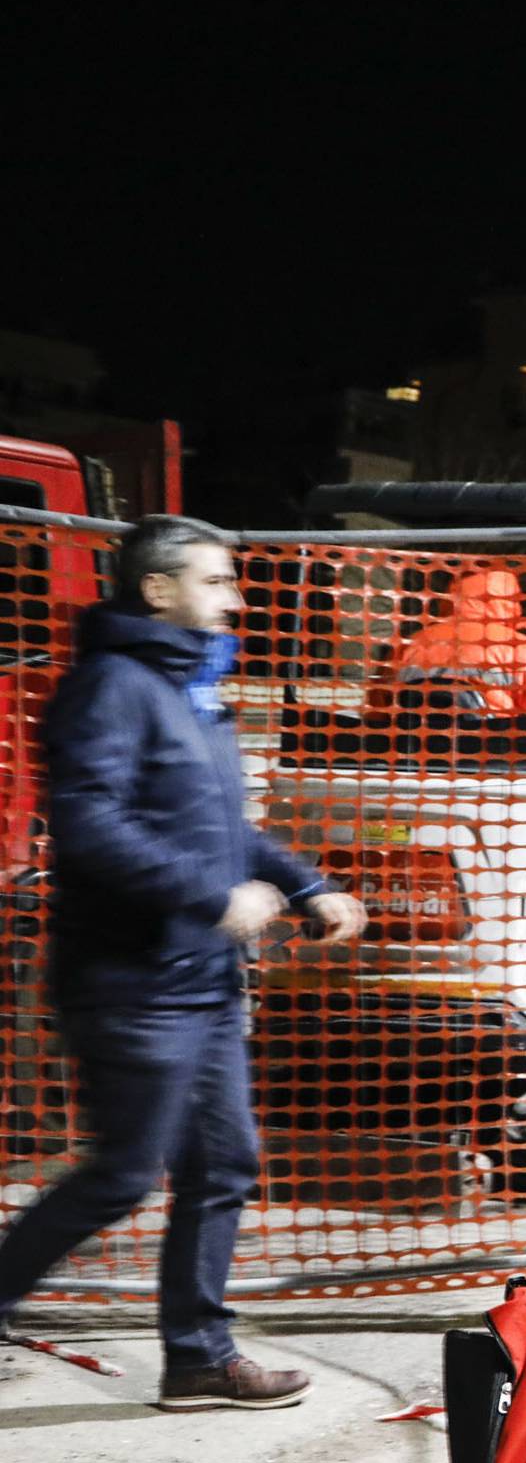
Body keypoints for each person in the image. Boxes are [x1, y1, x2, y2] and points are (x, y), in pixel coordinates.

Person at [0, 517, 366, 1406]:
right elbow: (90, 827)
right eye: (213, 582)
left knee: (224, 1164)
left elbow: (220, 829)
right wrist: (214, 900)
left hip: (198, 983)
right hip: (132, 983)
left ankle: (198, 1355)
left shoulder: (189, 690)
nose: (233, 598)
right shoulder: (112, 687)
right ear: (158, 590)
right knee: (126, 1172)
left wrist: (304, 882)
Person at [390, 566, 526, 717]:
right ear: (512, 600)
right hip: (496, 741)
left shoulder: (409, 644)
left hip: (414, 741)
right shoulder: (523, 649)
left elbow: (380, 705)